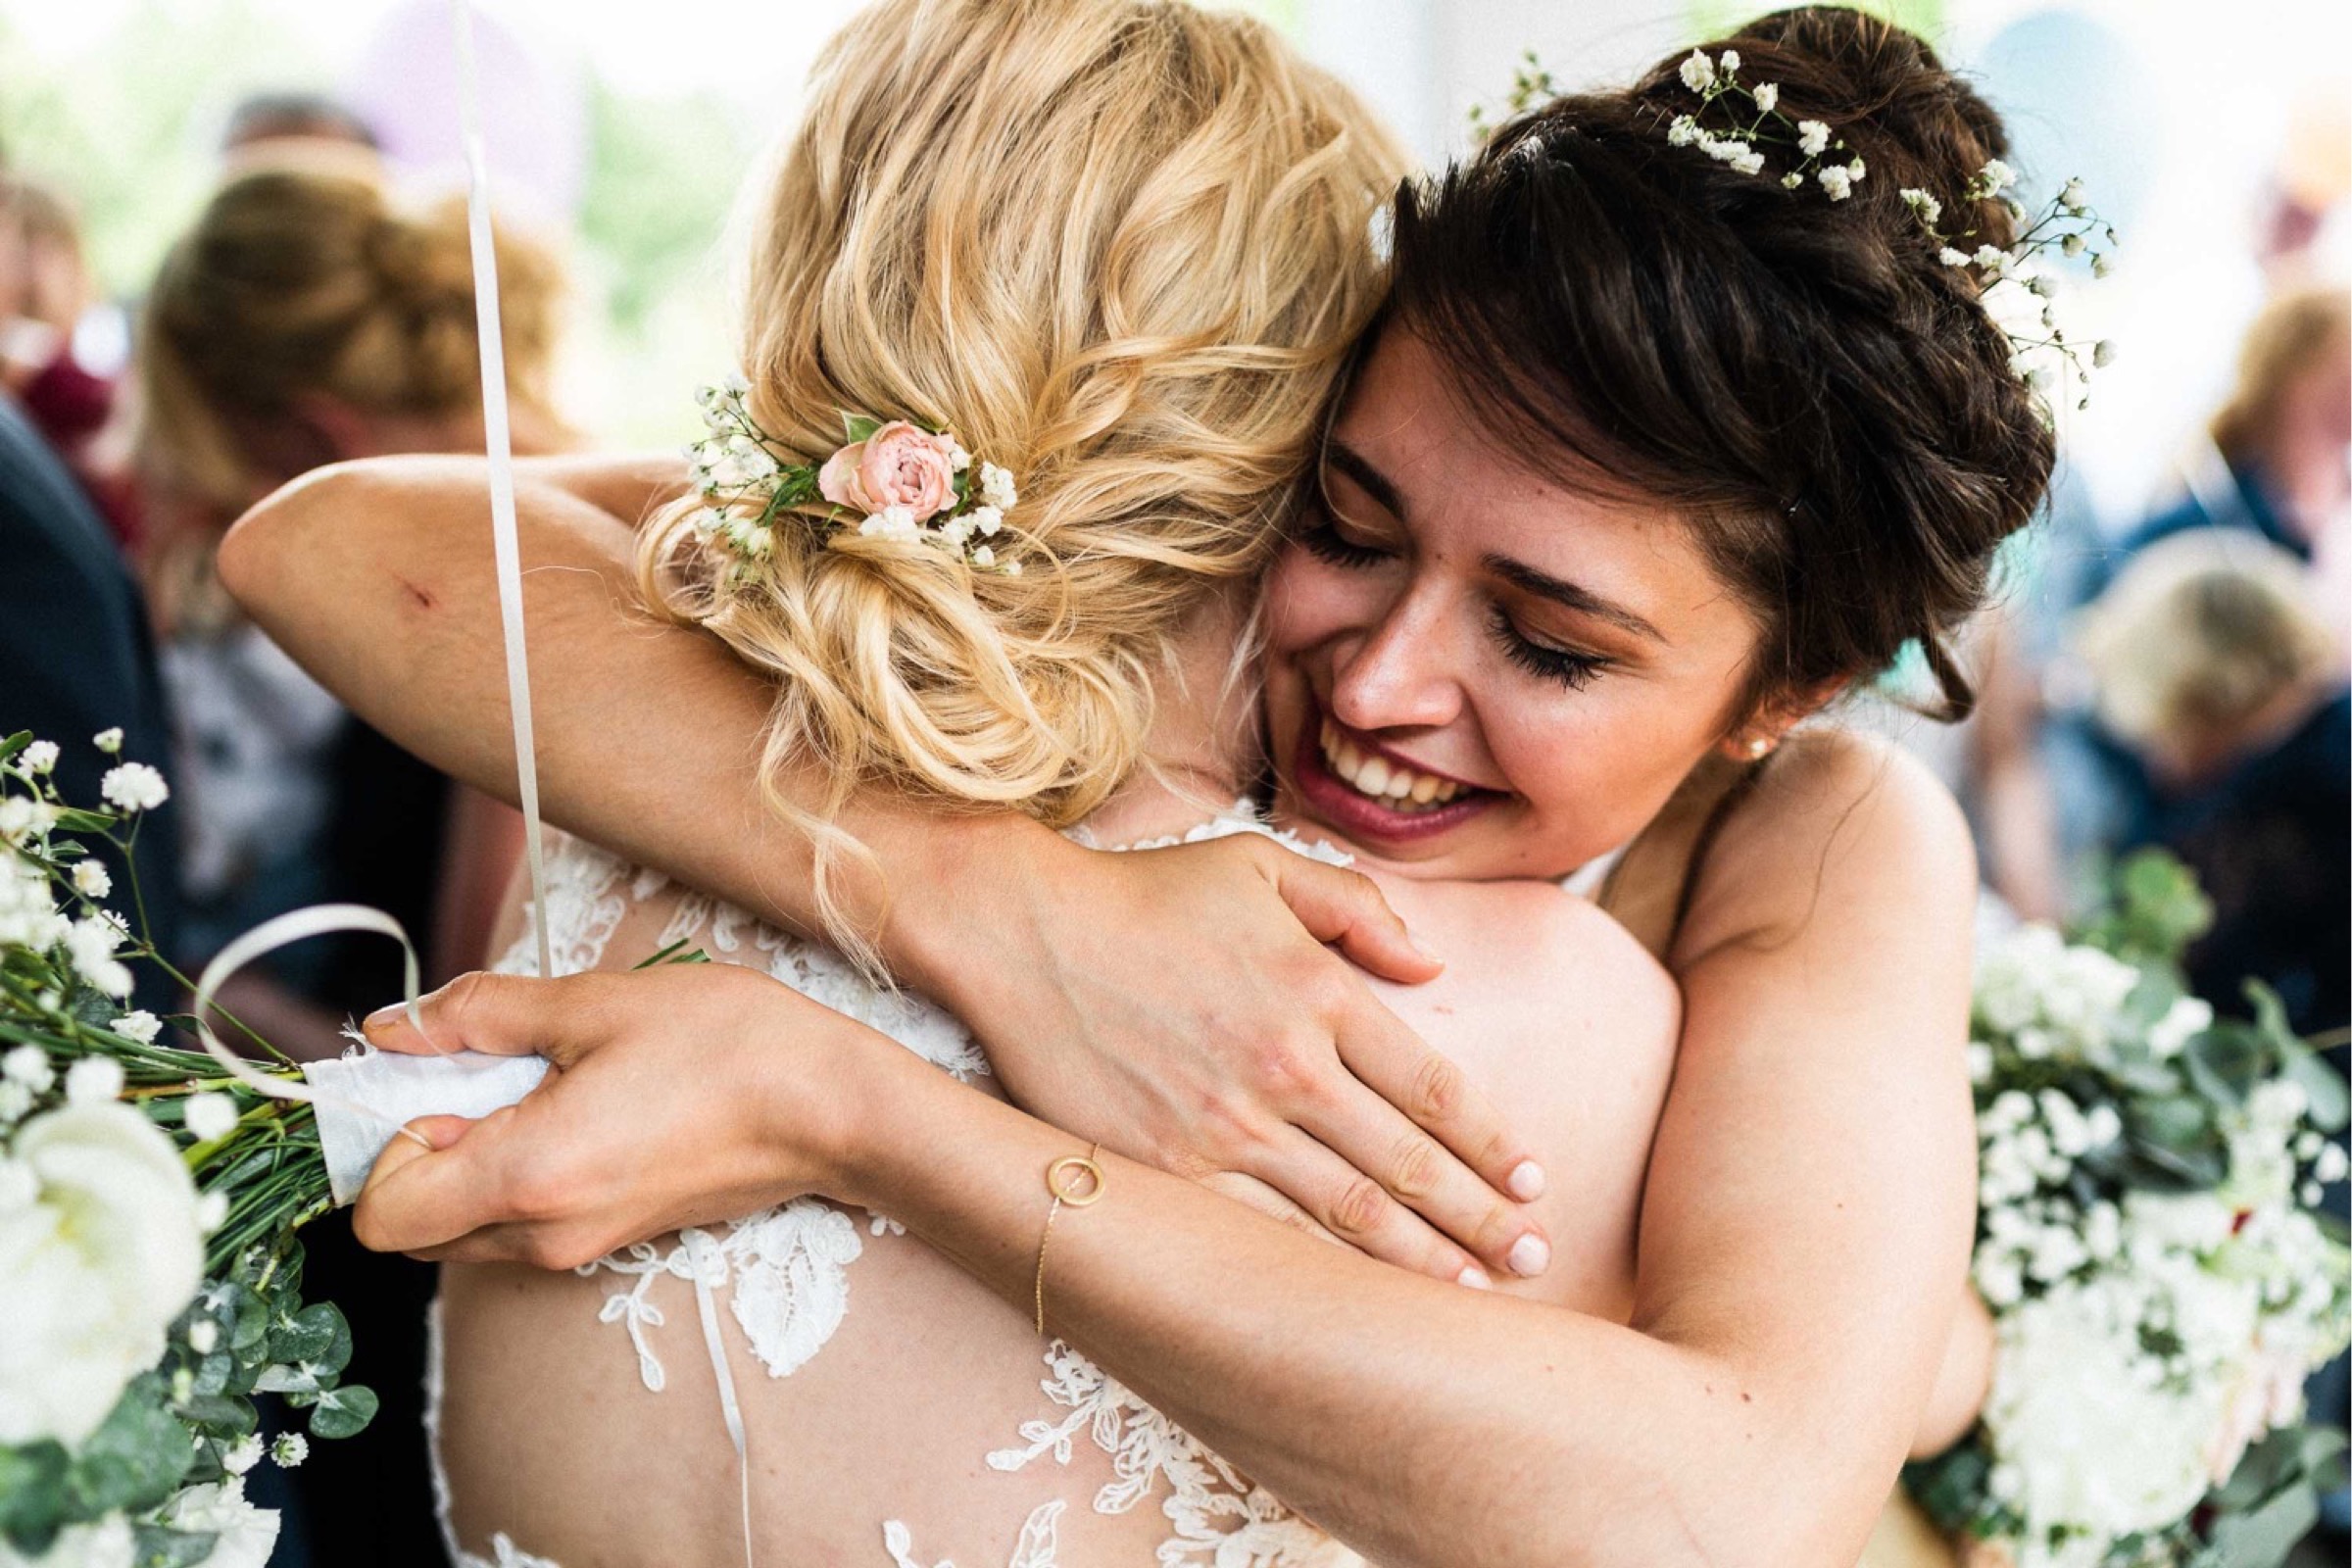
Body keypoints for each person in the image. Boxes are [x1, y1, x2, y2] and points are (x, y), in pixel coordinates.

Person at [226, 6, 2049, 1564]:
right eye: (1341, 522)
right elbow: (335, 544)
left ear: (1783, 696)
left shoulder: (1815, 845)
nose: (1385, 684)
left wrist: (858, 1114)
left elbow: (1736, 1492)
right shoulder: (999, 684)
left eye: (1552, 645)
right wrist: (1001, 911)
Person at [133, 152, 571, 1568]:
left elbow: (464, 1056)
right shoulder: (551, 503)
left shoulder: (493, 594)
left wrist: (190, 993)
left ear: (301, 430)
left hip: (454, 1278)